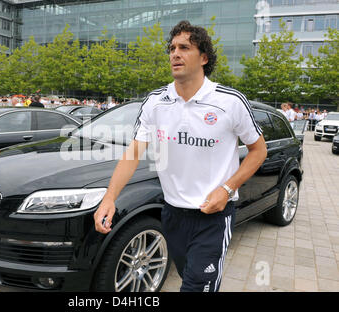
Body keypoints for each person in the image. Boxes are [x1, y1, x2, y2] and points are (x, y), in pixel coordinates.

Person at [93, 20, 267, 292]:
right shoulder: (155, 102)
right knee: (188, 277)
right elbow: (133, 154)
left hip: (213, 217)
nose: (175, 53)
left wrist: (227, 188)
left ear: (204, 58)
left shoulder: (230, 102)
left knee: (197, 286)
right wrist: (109, 197)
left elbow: (259, 150)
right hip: (172, 214)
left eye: (184, 47)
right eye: (172, 48)